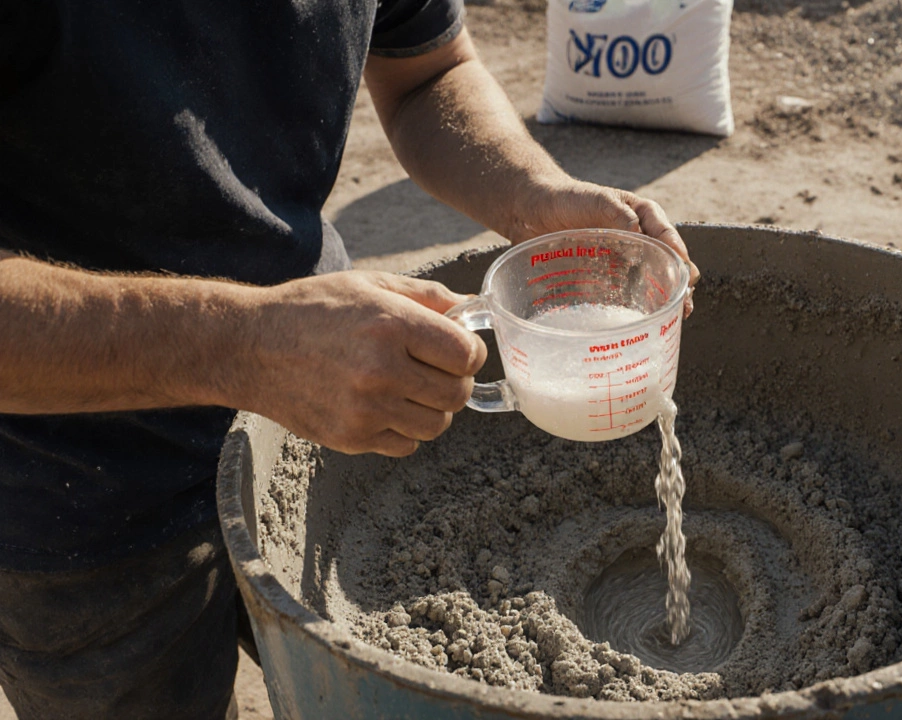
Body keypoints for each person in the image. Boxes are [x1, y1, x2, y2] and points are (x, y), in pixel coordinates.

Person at [0, 1, 697, 717]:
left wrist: (534, 195)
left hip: (330, 408)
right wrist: (246, 345)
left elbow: (429, 74)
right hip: (77, 496)